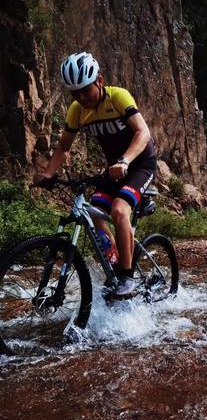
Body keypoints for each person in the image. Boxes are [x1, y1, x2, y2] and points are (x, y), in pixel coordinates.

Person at [34, 52, 157, 297]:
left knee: (120, 210)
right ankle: (114, 260)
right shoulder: (77, 110)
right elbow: (64, 147)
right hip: (115, 169)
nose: (81, 97)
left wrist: (125, 160)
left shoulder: (118, 96)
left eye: (85, 90)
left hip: (140, 163)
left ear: (99, 81)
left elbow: (142, 133)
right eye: (74, 93)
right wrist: (48, 173)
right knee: (94, 212)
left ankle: (126, 276)